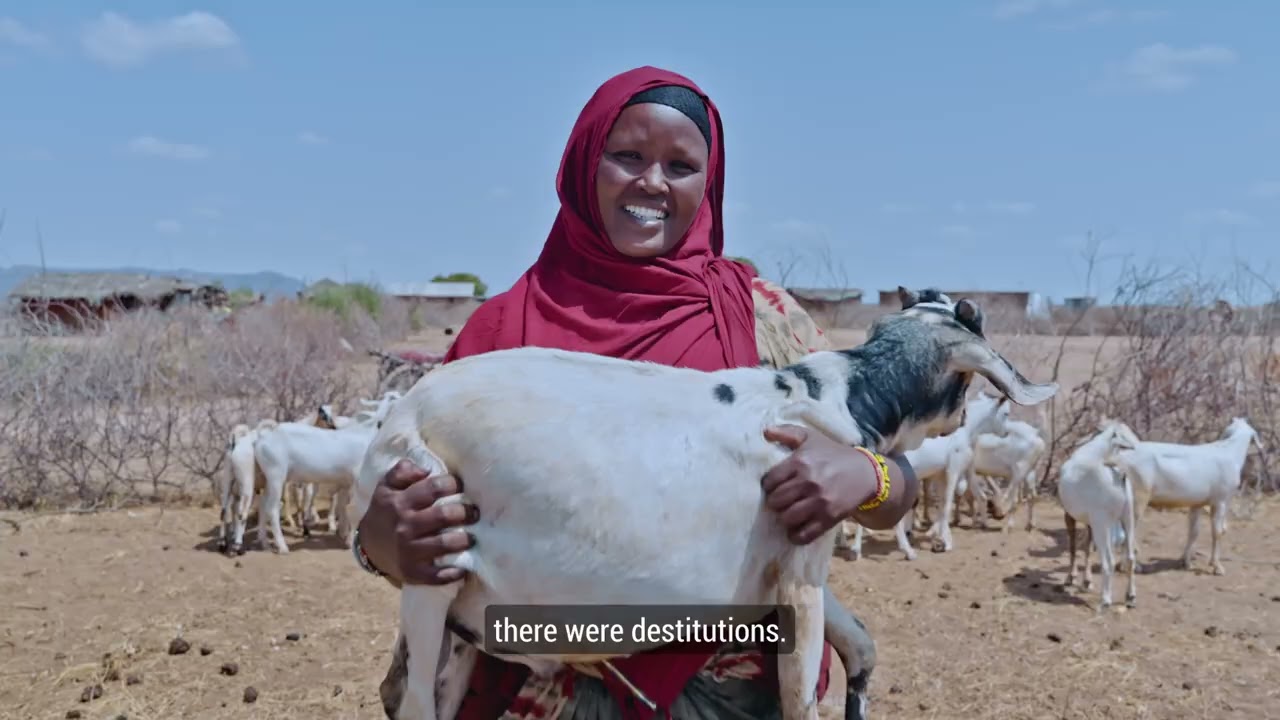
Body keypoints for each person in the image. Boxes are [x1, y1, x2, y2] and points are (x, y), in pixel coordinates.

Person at [353, 65, 920, 720]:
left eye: (680, 165)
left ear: (708, 184)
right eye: (627, 156)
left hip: (738, 680)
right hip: (525, 680)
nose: (651, 182)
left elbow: (895, 489)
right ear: (584, 163)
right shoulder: (500, 338)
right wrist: (386, 540)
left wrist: (867, 476)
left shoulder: (761, 322)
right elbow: (393, 519)